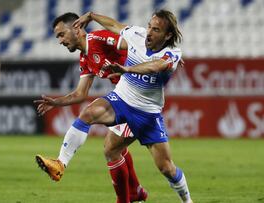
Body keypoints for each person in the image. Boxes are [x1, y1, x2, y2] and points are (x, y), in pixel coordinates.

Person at [67, 9, 193, 203]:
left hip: (147, 115)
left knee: (166, 167)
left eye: (156, 29)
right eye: (150, 26)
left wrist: (127, 69)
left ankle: (187, 200)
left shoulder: (173, 54)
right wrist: (91, 16)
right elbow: (114, 26)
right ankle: (62, 163)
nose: (149, 32)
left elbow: (155, 66)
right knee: (99, 130)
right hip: (122, 101)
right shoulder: (138, 34)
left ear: (167, 35)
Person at [34, 13, 147, 202]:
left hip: (141, 99)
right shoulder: (85, 58)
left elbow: (136, 43)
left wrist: (165, 58)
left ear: (76, 28)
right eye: (57, 37)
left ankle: (61, 163)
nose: (60, 41)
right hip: (125, 99)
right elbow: (80, 94)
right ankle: (135, 191)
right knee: (115, 146)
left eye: (61, 34)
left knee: (108, 145)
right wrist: (56, 102)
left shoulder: (98, 38)